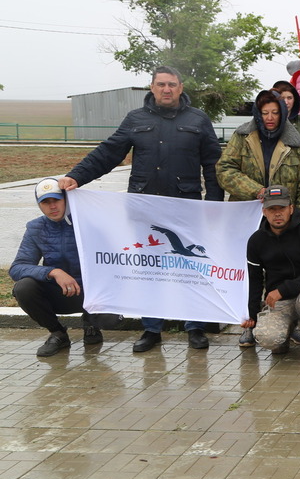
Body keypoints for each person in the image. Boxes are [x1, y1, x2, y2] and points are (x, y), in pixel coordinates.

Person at [58, 65, 224, 352]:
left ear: (181, 87)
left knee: (190, 269)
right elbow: (108, 152)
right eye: (161, 84)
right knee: (150, 271)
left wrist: (214, 205)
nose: (167, 89)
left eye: (172, 84)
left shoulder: (198, 120)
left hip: (186, 209)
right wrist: (76, 175)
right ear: (152, 87)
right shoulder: (135, 119)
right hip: (143, 209)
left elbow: (213, 165)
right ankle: (151, 329)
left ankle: (195, 328)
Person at [10, 178, 102, 357]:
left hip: (91, 292)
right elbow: (17, 267)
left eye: (56, 200)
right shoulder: (35, 228)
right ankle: (58, 333)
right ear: (39, 205)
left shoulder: (87, 222)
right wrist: (53, 272)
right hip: (60, 292)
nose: (52, 206)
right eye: (45, 202)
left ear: (66, 200)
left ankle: (92, 322)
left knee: (111, 320)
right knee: (24, 288)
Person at [245, 185, 300, 368]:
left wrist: (282, 290)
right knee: (268, 340)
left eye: (281, 208)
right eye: (272, 209)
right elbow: (254, 280)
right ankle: (286, 330)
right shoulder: (256, 240)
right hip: (279, 303)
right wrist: (251, 315)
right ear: (264, 211)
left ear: (291, 208)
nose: (277, 214)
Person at [216, 89, 300, 222]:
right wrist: (256, 190)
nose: (269, 118)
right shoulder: (242, 137)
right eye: (265, 113)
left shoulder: (296, 144)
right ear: (258, 114)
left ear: (282, 114)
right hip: (245, 218)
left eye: (275, 113)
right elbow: (224, 170)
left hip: (283, 221)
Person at [271, 80, 300, 150]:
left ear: (295, 100)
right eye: (282, 98)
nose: (286, 102)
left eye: (289, 98)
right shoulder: (268, 122)